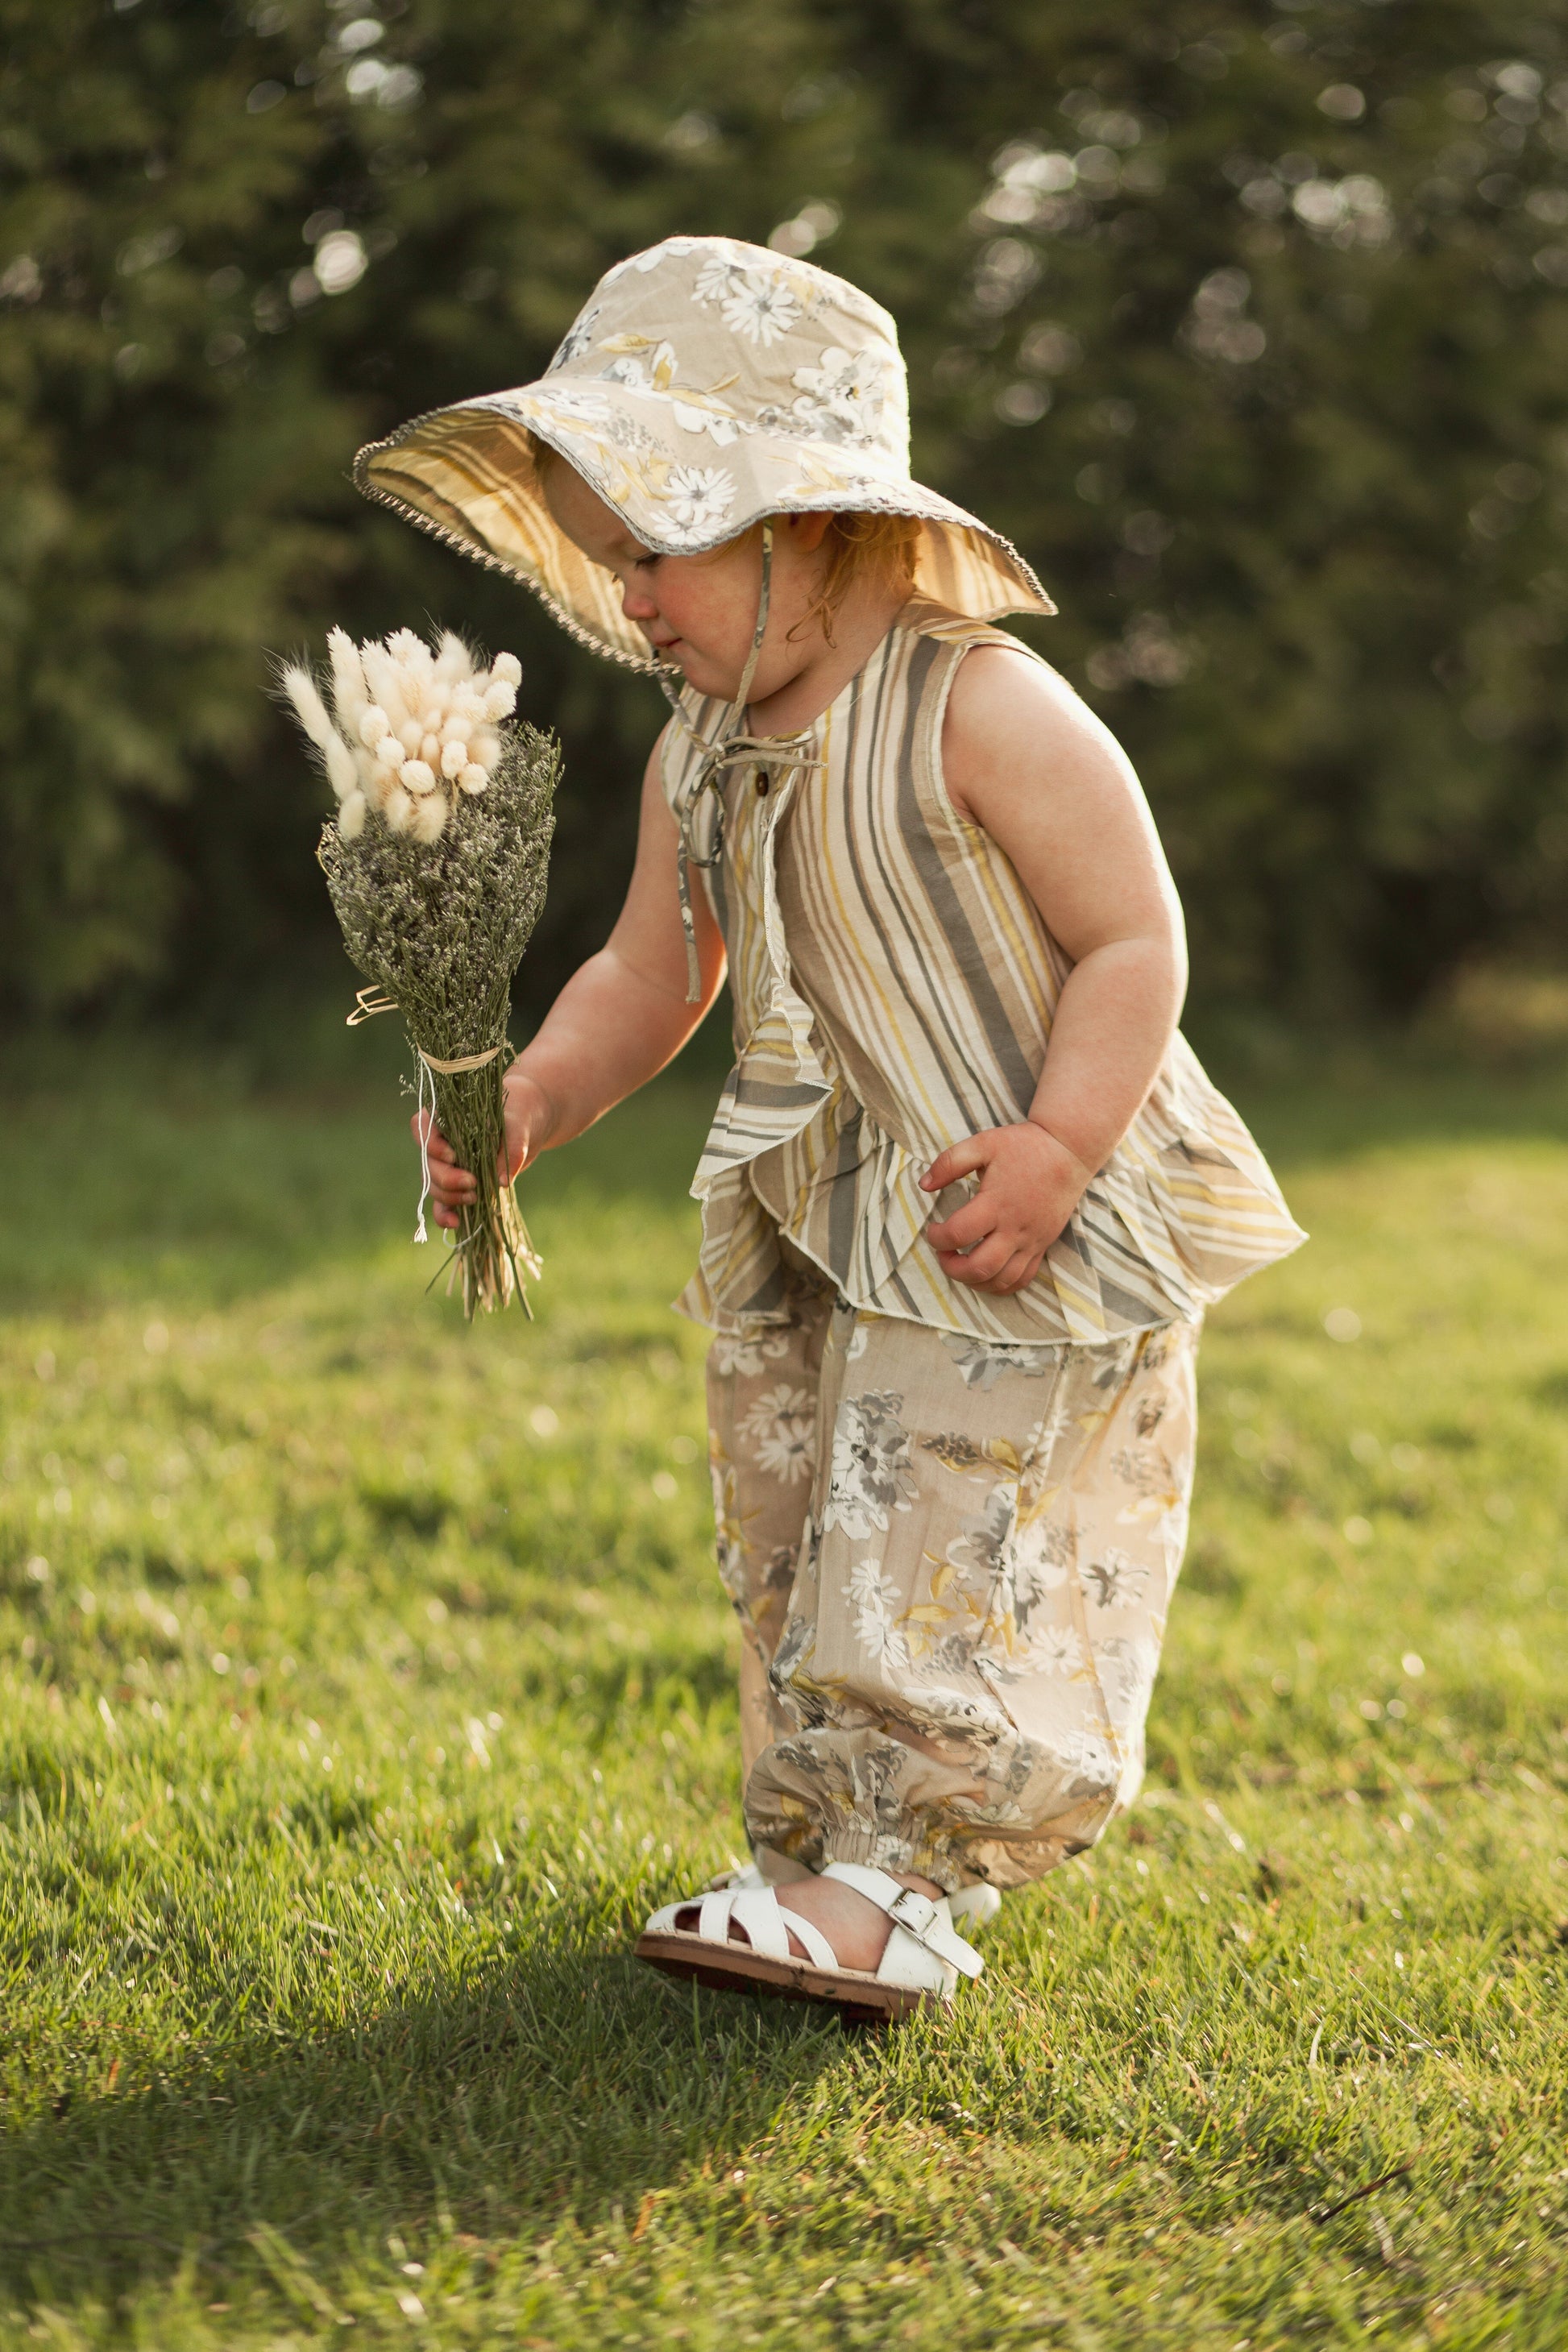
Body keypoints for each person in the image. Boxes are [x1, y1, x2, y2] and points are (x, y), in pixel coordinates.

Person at [355, 234, 1304, 2024]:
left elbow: (1133, 937)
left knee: (942, 1519)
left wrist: (1059, 1140)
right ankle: (814, 1857)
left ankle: (901, 1880)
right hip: (829, 1196)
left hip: (1012, 1189)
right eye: (610, 559)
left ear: (803, 515)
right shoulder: (695, 744)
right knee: (805, 1521)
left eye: (654, 550)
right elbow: (656, 968)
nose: (628, 601)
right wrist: (532, 1095)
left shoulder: (982, 704)